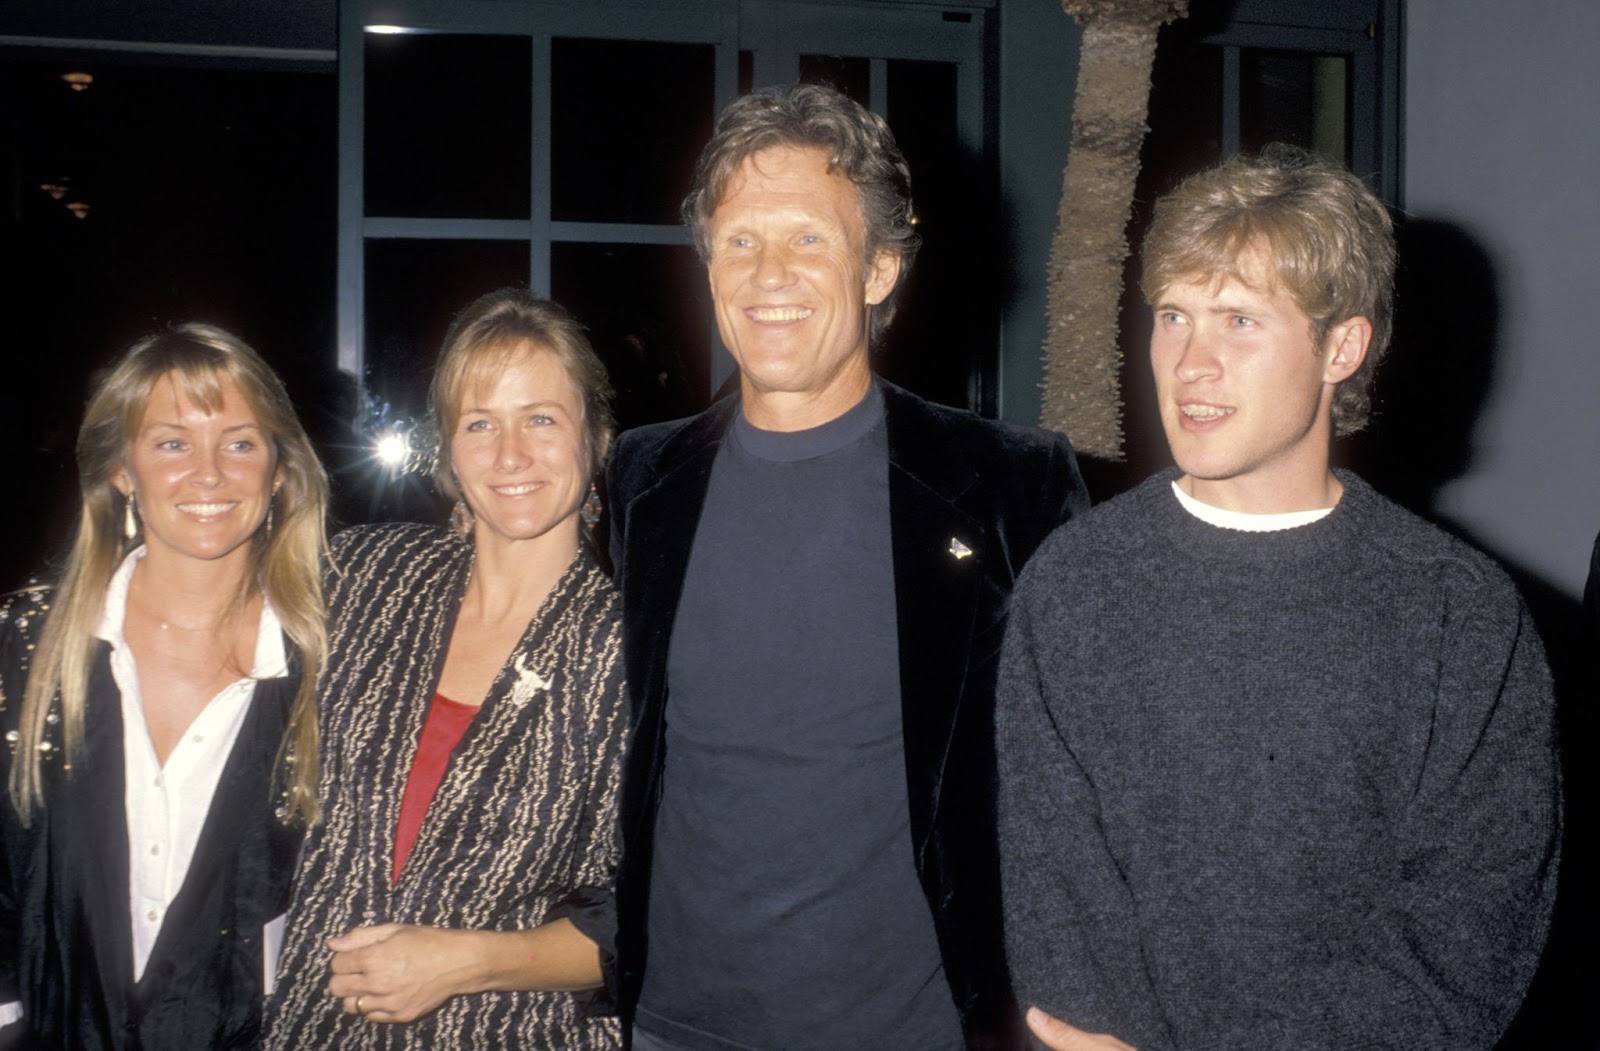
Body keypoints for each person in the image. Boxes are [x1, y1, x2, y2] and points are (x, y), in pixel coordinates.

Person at [996, 145, 1561, 1051]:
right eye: (1172, 316)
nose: (1191, 363)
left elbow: (1465, 939)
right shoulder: (1074, 585)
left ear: (1342, 346)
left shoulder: (1460, 614)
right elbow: (1056, 895)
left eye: (1239, 322)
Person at [605, 83, 1089, 1051]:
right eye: (738, 240)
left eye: (807, 239)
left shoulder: (1007, 485)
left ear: (879, 268)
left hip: (906, 1027)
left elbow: (1083, 780)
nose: (767, 273)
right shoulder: (640, 476)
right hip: (673, 1025)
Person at [264, 289, 626, 1049]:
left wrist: (467, 962)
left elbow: (650, 916)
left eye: (541, 419)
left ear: (594, 438)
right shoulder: (366, 574)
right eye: (480, 423)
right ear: (448, 451)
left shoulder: (632, 649)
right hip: (312, 1022)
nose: (510, 454)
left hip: (511, 1030)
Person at [0, 323, 328, 1049]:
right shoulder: (28, 643)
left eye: (240, 442)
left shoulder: (329, 662)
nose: (209, 473)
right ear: (121, 469)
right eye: (173, 442)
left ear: (279, 470)